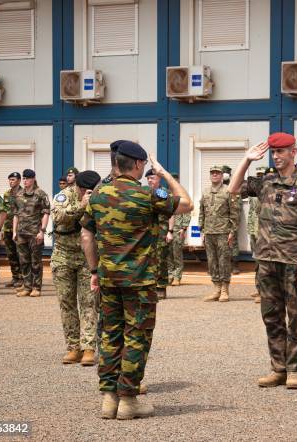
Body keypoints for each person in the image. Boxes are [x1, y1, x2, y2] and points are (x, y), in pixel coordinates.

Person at [80, 140, 193, 420]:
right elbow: (188, 203)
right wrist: (164, 173)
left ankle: (108, 399)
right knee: (136, 338)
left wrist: (95, 271)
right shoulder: (147, 195)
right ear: (140, 164)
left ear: (116, 163)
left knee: (110, 335)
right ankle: (128, 401)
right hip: (139, 282)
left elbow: (85, 236)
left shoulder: (98, 195)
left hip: (108, 280)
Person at [229, 132, 297, 390]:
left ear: (294, 151)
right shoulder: (266, 181)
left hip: (293, 260)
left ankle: (295, 370)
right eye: (274, 152)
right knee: (271, 316)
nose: (276, 156)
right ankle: (277, 368)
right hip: (266, 260)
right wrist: (246, 160)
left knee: (296, 316)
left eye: (282, 151)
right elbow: (233, 189)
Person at [51, 169, 99, 366]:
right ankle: (73, 347)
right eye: (86, 190)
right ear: (78, 187)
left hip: (87, 257)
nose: (89, 193)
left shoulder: (99, 196)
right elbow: (59, 217)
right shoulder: (64, 195)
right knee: (67, 303)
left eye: (92, 190)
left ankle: (88, 348)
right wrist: (82, 206)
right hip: (63, 256)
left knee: (89, 303)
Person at [199, 165, 240, 302]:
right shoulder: (205, 192)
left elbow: (234, 213)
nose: (215, 175)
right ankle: (216, 288)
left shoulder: (228, 191)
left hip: (223, 231)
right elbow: (201, 212)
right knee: (211, 261)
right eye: (213, 173)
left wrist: (232, 231)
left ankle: (224, 289)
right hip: (209, 232)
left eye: (217, 173)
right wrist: (202, 231)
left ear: (222, 176)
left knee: (224, 261)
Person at [13, 169, 50, 298]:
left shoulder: (40, 194)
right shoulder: (19, 194)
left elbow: (46, 213)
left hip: (35, 233)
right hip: (21, 233)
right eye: (24, 178)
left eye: (27, 178)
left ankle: (36, 287)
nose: (25, 181)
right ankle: (27, 287)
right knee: (24, 261)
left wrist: (42, 231)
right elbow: (16, 215)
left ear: (33, 179)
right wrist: (14, 231)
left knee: (36, 262)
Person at [145, 168, 171, 299]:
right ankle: (151, 285)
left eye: (152, 178)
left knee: (161, 258)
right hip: (148, 230)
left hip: (162, 229)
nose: (150, 180)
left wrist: (170, 231)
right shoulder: (145, 192)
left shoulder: (164, 193)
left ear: (159, 179)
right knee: (149, 258)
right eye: (148, 178)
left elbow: (172, 213)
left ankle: (161, 286)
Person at [246, 167, 266, 303]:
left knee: (263, 262)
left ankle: (264, 292)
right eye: (258, 175)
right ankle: (258, 288)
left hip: (263, 231)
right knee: (256, 262)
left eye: (262, 175)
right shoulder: (253, 192)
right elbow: (251, 212)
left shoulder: (268, 192)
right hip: (253, 230)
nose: (259, 178)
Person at [168, 174, 191, 287]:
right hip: (167, 230)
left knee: (177, 254)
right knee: (168, 254)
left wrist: (184, 228)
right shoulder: (165, 195)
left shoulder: (181, 195)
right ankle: (170, 274)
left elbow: (187, 211)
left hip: (178, 229)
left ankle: (177, 276)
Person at [3, 172, 23, 288]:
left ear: (19, 181)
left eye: (13, 180)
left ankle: (23, 278)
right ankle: (15, 277)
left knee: (21, 254)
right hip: (7, 228)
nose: (11, 182)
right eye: (10, 180)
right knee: (11, 254)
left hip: (20, 229)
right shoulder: (6, 194)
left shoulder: (24, 193)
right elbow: (3, 211)